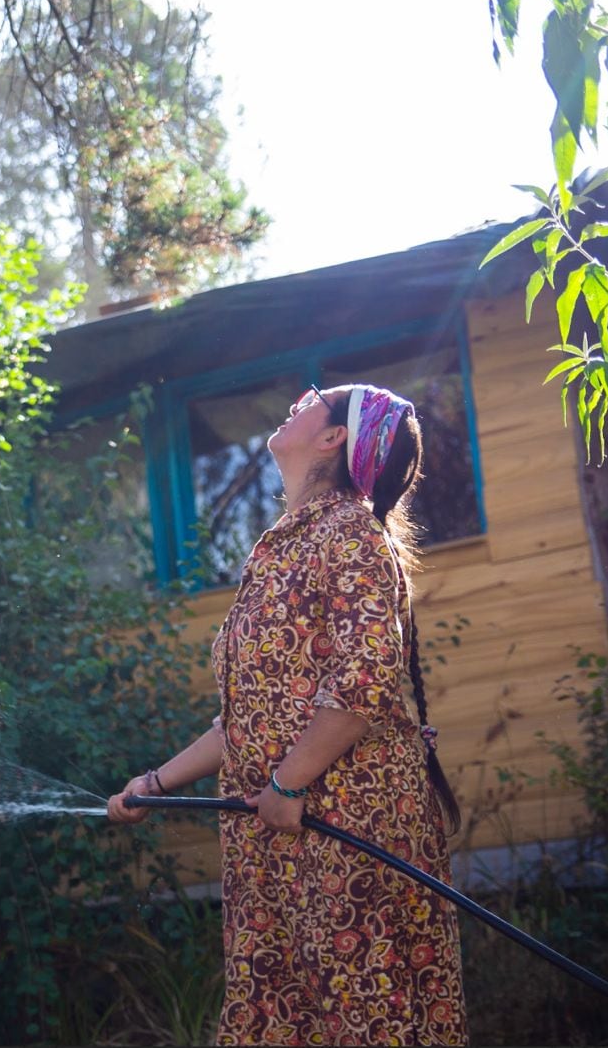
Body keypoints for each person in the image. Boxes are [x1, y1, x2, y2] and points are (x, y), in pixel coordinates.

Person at [108, 383, 468, 1046]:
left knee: (365, 1018)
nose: (296, 402)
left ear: (333, 438)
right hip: (278, 848)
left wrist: (287, 783)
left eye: (313, 399)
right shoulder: (281, 546)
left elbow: (364, 678)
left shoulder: (351, 532)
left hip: (343, 838)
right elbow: (245, 720)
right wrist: (154, 785)